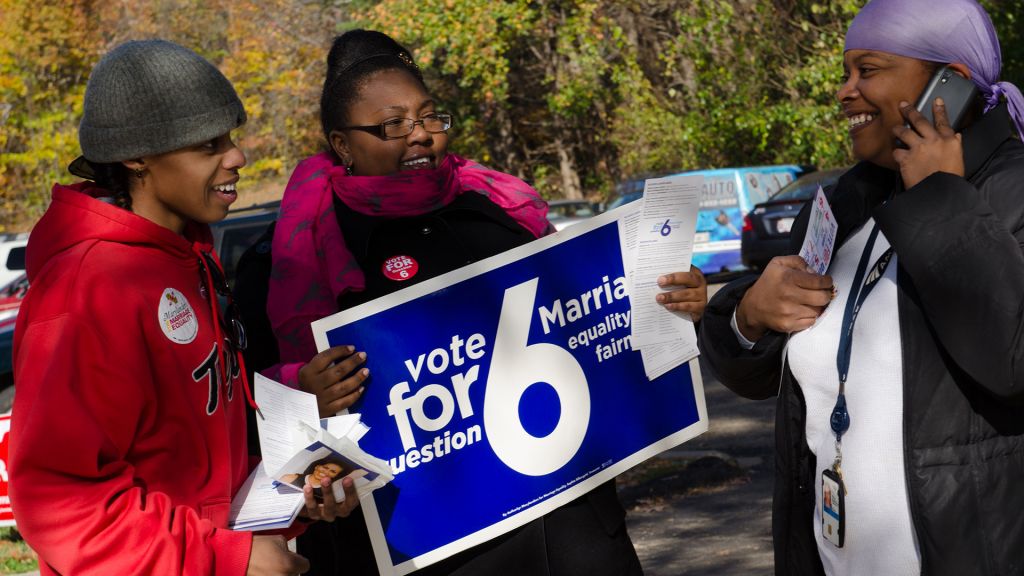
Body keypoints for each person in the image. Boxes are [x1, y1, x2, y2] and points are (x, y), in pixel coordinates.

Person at [251, 28, 706, 576]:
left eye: (428, 117)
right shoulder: (293, 257)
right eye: (392, 124)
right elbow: (262, 418)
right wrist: (306, 398)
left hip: (574, 531)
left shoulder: (502, 212)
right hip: (429, 552)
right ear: (342, 144)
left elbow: (591, 329)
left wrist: (667, 304)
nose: (418, 137)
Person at [697, 1, 1024, 574]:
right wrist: (750, 317)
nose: (845, 92)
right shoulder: (841, 209)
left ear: (951, 83)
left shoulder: (1013, 193)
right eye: (844, 73)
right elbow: (757, 377)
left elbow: (1013, 364)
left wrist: (942, 202)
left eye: (867, 71)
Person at [8, 39, 357, 576]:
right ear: (136, 157)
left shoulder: (190, 257)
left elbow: (197, 465)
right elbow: (66, 506)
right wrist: (230, 560)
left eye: (232, 137)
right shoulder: (87, 287)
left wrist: (295, 491)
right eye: (208, 144)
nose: (237, 156)